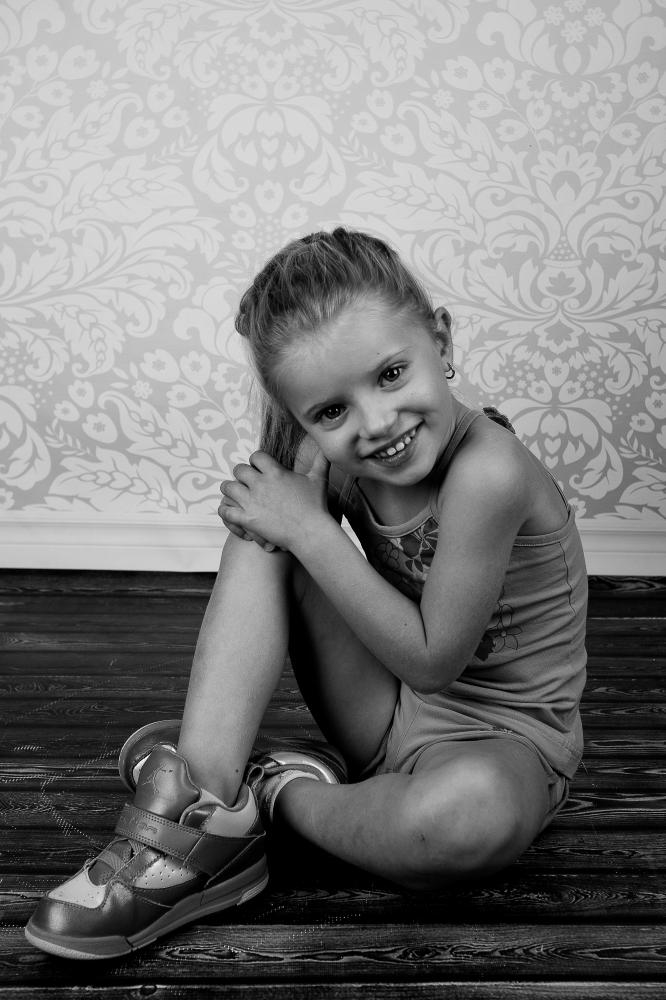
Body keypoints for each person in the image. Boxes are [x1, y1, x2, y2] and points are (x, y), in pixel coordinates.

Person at [25, 228, 587, 960]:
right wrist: (287, 519)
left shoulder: (489, 472)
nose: (376, 423)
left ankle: (271, 797)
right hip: (382, 716)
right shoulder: (333, 455)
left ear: (442, 341)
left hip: (505, 745)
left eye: (391, 374)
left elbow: (434, 661)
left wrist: (313, 530)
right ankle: (198, 800)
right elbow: (279, 533)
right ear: (301, 417)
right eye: (330, 412)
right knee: (268, 529)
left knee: (465, 820)